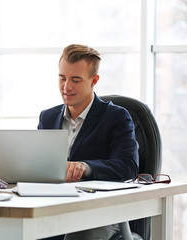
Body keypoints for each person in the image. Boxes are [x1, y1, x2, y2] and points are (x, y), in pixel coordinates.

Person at [38, 44, 139, 240]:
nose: (67, 87)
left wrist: (86, 167)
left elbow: (128, 165)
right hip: (52, 210)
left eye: (75, 80)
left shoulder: (117, 117)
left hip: (97, 216)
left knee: (78, 233)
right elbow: (39, 166)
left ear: (94, 81)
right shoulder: (47, 117)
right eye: (62, 78)